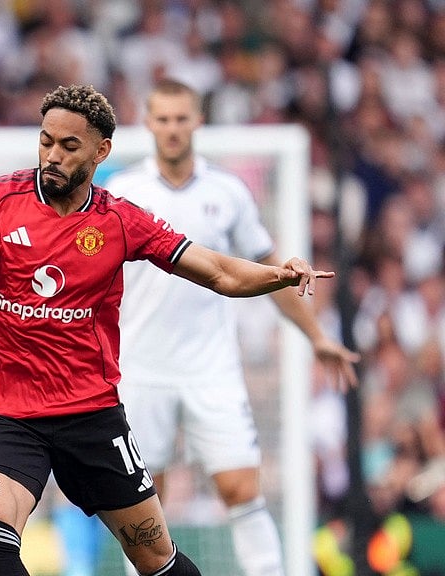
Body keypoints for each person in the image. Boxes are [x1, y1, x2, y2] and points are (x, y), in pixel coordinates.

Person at [0, 83, 337, 576]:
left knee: (157, 559)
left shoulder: (119, 219)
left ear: (101, 150)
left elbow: (218, 272)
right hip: (6, 416)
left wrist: (277, 275)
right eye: (46, 141)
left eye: (69, 147)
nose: (52, 156)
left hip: (91, 416)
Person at [103, 78, 360, 576]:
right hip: (139, 368)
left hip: (211, 369)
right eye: (163, 118)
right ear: (148, 122)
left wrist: (318, 337)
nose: (173, 128)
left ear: (198, 121)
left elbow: (272, 275)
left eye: (182, 118)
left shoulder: (228, 192)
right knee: (140, 503)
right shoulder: (122, 194)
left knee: (241, 488)